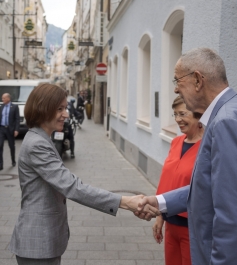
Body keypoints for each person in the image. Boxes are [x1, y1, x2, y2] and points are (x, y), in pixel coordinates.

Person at [137, 47, 237, 264]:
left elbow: (234, 217)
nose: (176, 89)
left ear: (197, 80)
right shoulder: (236, 111)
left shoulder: (226, 122)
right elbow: (211, 187)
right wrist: (160, 202)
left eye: (177, 81)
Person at [9, 83, 147, 265]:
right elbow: (72, 187)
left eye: (65, 108)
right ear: (43, 108)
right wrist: (125, 202)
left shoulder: (41, 138)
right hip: (37, 243)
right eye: (60, 109)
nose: (65, 114)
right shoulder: (37, 144)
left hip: (43, 242)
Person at [153, 96, 203, 265]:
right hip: (171, 223)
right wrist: (160, 216)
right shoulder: (176, 142)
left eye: (182, 114)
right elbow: (166, 178)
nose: (178, 120)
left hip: (193, 228)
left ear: (198, 115)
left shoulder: (208, 146)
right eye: (175, 114)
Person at [0, 93, 20, 170]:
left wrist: (16, 129)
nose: (2, 100)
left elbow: (17, 119)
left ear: (8, 98)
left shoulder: (14, 107)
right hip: (2, 129)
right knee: (0, 145)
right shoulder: (1, 107)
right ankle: (0, 164)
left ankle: (13, 160)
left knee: (11, 146)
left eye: (3, 98)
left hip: (10, 129)